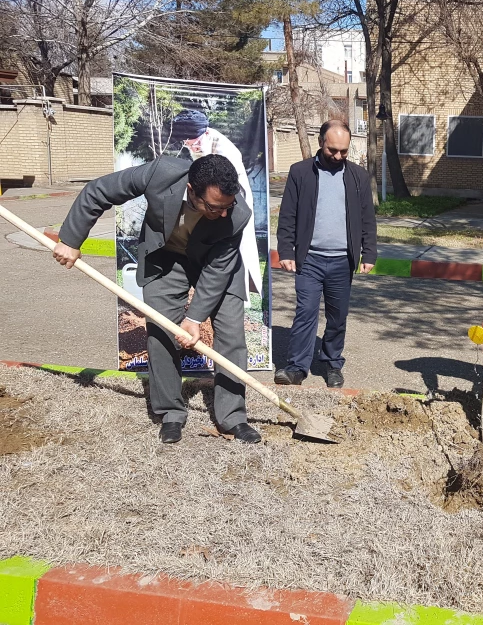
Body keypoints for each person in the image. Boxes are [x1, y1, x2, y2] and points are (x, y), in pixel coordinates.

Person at [52, 154, 261, 445]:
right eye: (214, 207)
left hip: (215, 266)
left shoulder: (236, 214)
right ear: (191, 190)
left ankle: (233, 417)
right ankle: (170, 413)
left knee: (231, 335)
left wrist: (194, 318)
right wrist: (71, 240)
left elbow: (217, 271)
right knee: (161, 333)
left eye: (228, 206)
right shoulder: (161, 173)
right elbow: (98, 191)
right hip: (166, 259)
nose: (223, 213)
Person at [274, 120, 377, 388]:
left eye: (344, 151)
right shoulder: (300, 172)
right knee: (305, 312)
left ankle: (332, 363)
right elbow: (288, 215)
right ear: (321, 142)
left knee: (337, 316)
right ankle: (296, 367)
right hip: (309, 259)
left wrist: (369, 253)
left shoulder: (358, 176)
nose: (338, 156)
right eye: (333, 150)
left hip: (343, 260)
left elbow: (367, 218)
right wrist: (286, 250)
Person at [170, 109, 264, 301]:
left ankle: (236, 295)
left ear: (205, 132)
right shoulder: (201, 143)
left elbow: (228, 189)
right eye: (188, 143)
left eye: (195, 142)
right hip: (210, 205)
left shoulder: (224, 149)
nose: (192, 146)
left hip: (232, 203)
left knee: (234, 250)